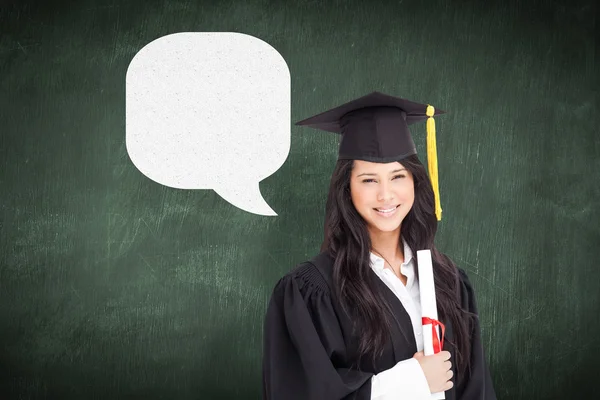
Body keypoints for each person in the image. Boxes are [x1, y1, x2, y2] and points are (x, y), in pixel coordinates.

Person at [262, 92, 496, 400]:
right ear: (347, 190)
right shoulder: (311, 291)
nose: (386, 195)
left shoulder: (450, 280)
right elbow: (299, 392)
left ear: (415, 182)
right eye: (369, 180)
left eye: (398, 176)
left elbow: (476, 389)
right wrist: (411, 380)